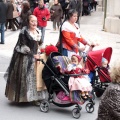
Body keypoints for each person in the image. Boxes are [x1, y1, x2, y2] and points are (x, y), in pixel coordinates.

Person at [5, 15, 43, 103]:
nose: (34, 23)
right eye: (32, 21)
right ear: (28, 22)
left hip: (35, 56)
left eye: (36, 21)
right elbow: (23, 46)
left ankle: (35, 97)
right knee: (27, 77)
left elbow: (40, 43)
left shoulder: (38, 31)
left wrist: (41, 51)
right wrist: (33, 55)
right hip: (25, 57)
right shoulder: (24, 32)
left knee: (35, 78)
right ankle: (27, 98)